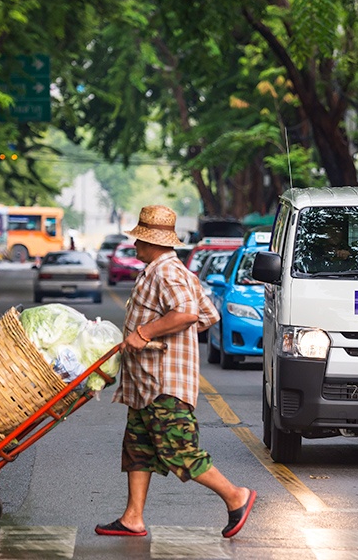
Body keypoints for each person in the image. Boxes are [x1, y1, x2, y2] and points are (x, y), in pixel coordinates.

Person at [96, 205, 256, 539]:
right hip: (146, 385)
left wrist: (146, 333)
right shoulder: (168, 269)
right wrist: (171, 335)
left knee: (179, 451)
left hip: (163, 384)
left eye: (139, 238)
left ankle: (235, 496)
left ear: (151, 241)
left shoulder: (166, 272)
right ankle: (132, 518)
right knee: (138, 449)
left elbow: (185, 313)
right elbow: (207, 314)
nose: (135, 244)